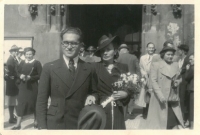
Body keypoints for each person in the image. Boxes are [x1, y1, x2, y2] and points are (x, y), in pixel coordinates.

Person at [36, 27, 96, 129]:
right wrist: (42, 127)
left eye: (73, 43)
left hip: (81, 121)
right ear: (61, 44)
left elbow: (95, 91)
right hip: (56, 122)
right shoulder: (49, 67)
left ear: (81, 46)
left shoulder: (89, 68)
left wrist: (93, 96)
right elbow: (41, 100)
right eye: (66, 43)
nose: (69, 47)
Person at [85, 35, 130, 129]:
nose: (105, 53)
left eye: (108, 49)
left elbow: (128, 88)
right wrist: (91, 96)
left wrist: (125, 94)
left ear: (115, 51)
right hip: (101, 109)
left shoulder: (123, 67)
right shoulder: (94, 67)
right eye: (102, 50)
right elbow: (92, 90)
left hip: (118, 110)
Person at [146, 46, 184, 129]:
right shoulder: (156, 65)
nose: (170, 56)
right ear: (163, 55)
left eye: (172, 55)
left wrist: (177, 82)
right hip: (159, 98)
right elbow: (153, 81)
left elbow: (179, 78)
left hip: (172, 98)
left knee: (173, 123)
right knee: (159, 123)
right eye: (168, 54)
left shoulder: (175, 65)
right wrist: (160, 96)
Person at [12, 47, 42, 130]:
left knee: (34, 103)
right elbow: (16, 72)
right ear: (24, 55)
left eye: (30, 54)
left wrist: (31, 77)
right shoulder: (22, 62)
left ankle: (36, 122)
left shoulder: (37, 63)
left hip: (33, 87)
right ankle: (18, 125)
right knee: (21, 103)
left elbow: (40, 75)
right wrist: (20, 75)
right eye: (27, 54)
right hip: (23, 86)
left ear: (33, 54)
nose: (29, 56)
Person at [117, 43, 141, 119]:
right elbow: (138, 68)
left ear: (121, 51)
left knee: (123, 96)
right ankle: (130, 112)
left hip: (122, 79)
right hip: (132, 79)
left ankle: (123, 114)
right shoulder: (134, 57)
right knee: (131, 95)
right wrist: (138, 78)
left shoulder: (118, 58)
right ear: (127, 50)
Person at [138, 42, 156, 118]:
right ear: (146, 48)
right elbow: (141, 68)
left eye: (152, 48)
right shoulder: (143, 58)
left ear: (154, 49)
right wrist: (144, 74)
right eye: (149, 47)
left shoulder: (156, 57)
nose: (151, 49)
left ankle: (153, 113)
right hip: (146, 78)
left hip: (154, 78)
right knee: (145, 95)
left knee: (153, 95)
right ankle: (145, 113)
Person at [5, 45, 20, 124]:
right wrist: (20, 75)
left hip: (14, 82)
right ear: (11, 52)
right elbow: (11, 72)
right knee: (12, 101)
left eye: (17, 50)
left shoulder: (14, 59)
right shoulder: (10, 60)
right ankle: (11, 118)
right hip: (12, 83)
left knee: (14, 101)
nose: (16, 52)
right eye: (14, 51)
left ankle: (13, 117)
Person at [176, 44, 190, 125]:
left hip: (184, 82)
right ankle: (182, 118)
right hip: (179, 82)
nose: (178, 52)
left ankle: (185, 119)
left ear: (183, 51)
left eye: (179, 50)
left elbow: (185, 70)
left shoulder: (187, 59)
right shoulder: (180, 59)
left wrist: (180, 71)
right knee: (180, 100)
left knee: (183, 99)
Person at [185, 53, 194, 129]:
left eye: (191, 59)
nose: (190, 61)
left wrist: (187, 70)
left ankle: (192, 126)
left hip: (192, 89)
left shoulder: (192, 68)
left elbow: (186, 78)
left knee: (192, 108)